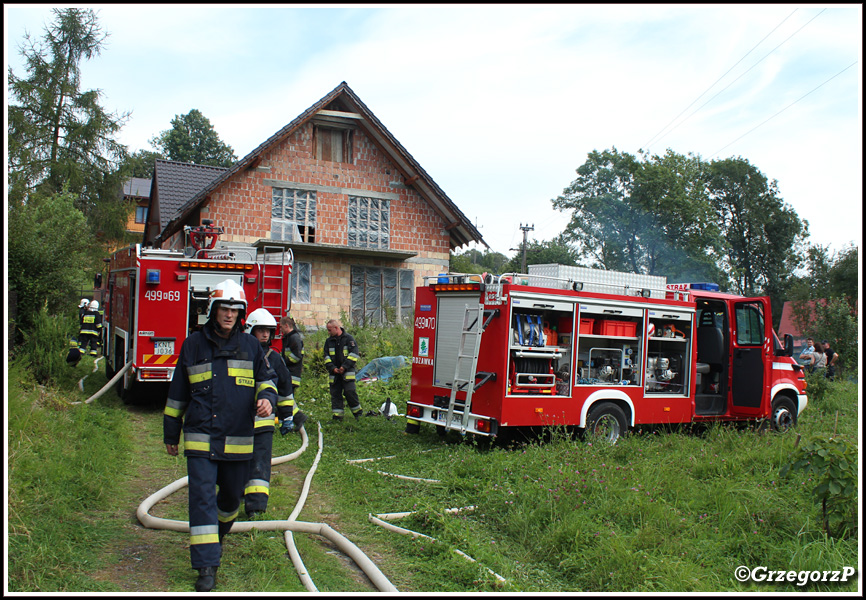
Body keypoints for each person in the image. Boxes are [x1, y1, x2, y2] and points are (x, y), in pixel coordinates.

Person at [163, 279, 278, 592]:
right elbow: (178, 393)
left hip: (238, 439)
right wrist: (171, 432)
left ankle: (218, 534)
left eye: (234, 309)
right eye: (224, 308)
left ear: (241, 314)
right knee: (201, 499)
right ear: (213, 310)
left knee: (229, 500)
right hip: (200, 436)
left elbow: (267, 380)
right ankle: (206, 566)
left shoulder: (251, 346)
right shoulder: (192, 345)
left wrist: (267, 398)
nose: (229, 314)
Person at [242, 309, 307, 518]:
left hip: (263, 421)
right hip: (238, 421)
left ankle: (256, 507)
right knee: (236, 461)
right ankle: (235, 495)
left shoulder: (274, 358)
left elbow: (286, 388)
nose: (264, 335)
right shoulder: (239, 354)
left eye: (268, 331)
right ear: (250, 330)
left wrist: (287, 416)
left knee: (260, 464)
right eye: (260, 330)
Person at [324, 318, 363, 421]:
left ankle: (358, 415)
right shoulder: (328, 342)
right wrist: (333, 368)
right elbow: (326, 357)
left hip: (347, 373)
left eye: (329, 330)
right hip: (335, 374)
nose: (328, 332)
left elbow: (354, 355)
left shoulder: (349, 339)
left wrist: (344, 367)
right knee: (335, 394)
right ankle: (337, 417)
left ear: (336, 328)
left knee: (350, 392)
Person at [280, 316, 304, 397]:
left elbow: (297, 356)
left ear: (286, 325)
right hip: (288, 373)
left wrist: (283, 362)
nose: (280, 330)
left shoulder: (294, 338)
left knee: (288, 398)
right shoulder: (289, 338)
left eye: (281, 327)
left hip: (292, 374)